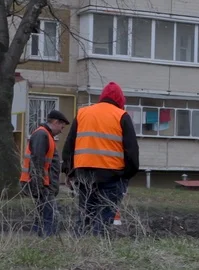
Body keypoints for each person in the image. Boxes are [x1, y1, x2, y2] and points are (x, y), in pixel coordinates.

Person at [61, 81, 139, 237]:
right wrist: (127, 175)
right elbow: (132, 151)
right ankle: (98, 249)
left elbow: (69, 145)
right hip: (111, 176)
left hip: (84, 174)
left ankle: (80, 247)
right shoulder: (121, 116)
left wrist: (69, 172)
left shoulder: (83, 113)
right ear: (120, 101)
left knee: (85, 215)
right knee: (104, 217)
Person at [20, 110, 70, 237]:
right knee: (49, 216)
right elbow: (37, 162)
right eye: (61, 126)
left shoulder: (45, 135)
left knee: (42, 215)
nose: (61, 130)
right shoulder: (42, 135)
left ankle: (39, 240)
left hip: (43, 185)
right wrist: (39, 187)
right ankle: (46, 241)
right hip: (42, 185)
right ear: (55, 122)